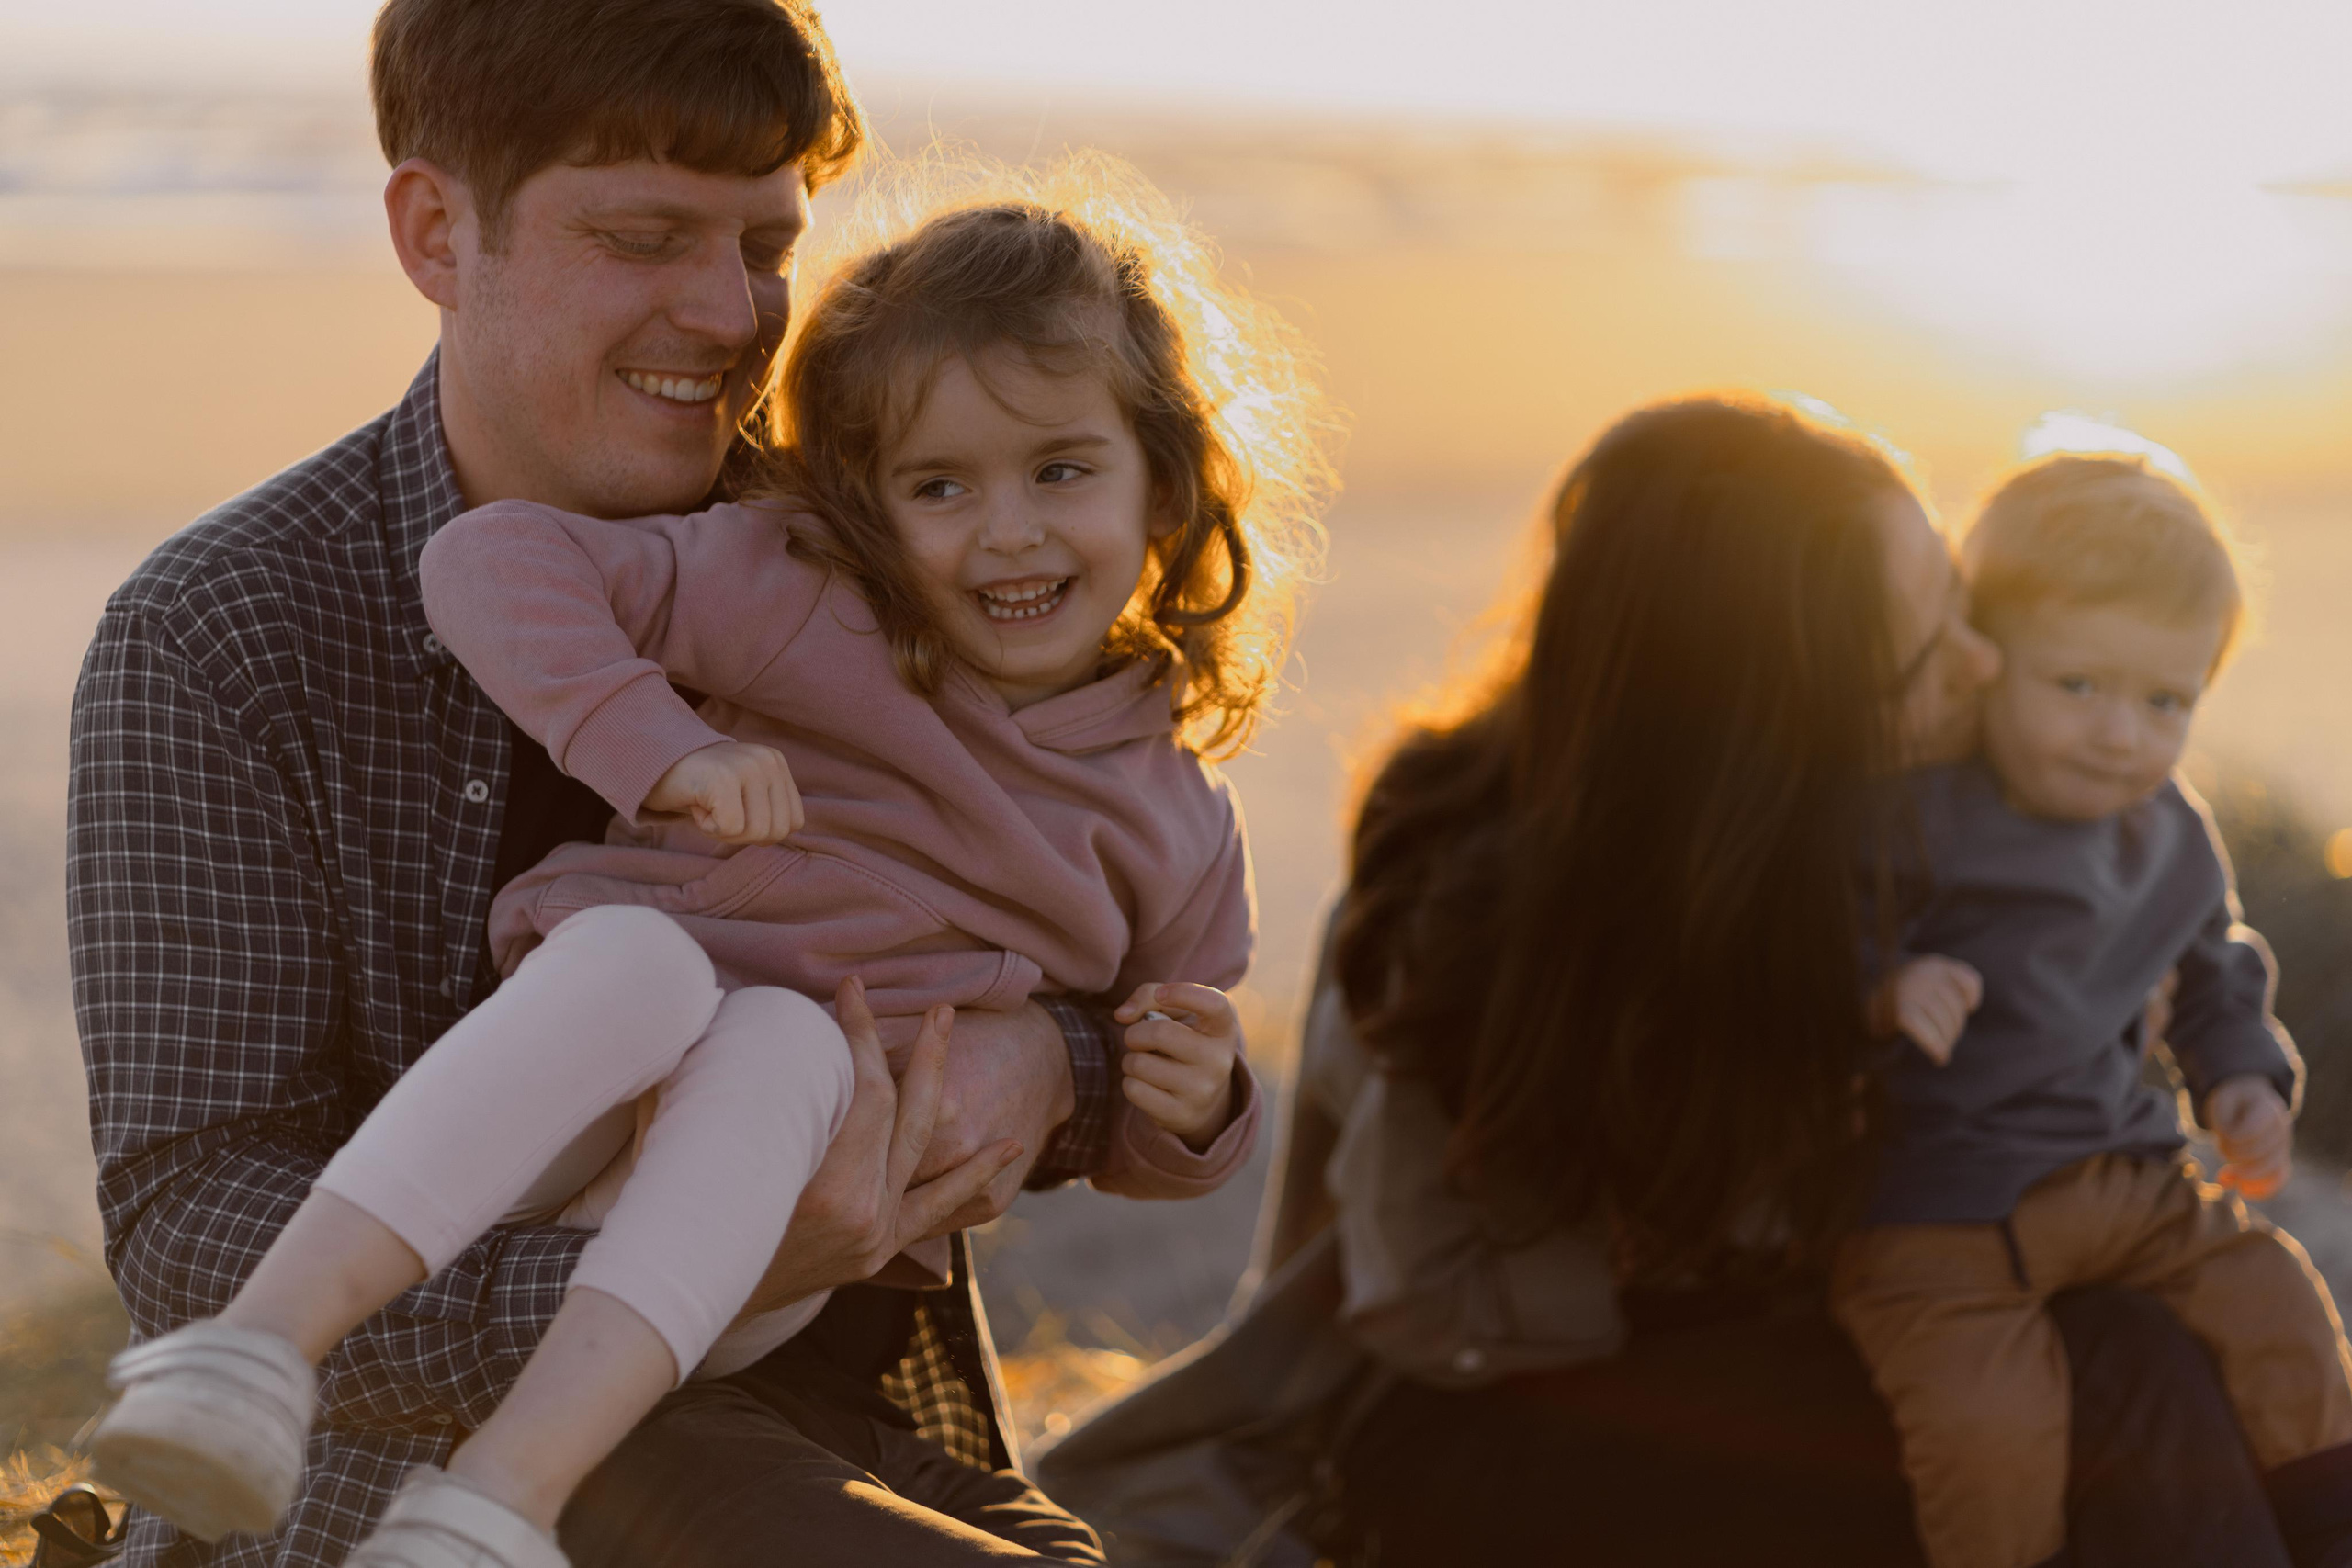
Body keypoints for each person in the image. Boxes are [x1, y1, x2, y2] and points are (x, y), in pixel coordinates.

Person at [86, 180, 1323, 1568]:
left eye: (1060, 471)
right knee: (637, 957)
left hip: (745, 1236)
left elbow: (1154, 1074)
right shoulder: (808, 587)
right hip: (547, 1128)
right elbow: (492, 561)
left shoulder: (1178, 813)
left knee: (786, 1042)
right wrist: (658, 747)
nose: (1008, 530)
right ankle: (249, 1359)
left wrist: (1183, 1091)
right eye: (939, 486)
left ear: (1165, 476)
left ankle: (495, 1502)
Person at [1038, 397, 2320, 1567]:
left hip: (1777, 1358)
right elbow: (1434, 1310)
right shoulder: (1489, 890)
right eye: (1930, 651)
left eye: (1964, 610)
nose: (1984, 667)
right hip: (1492, 1424)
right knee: (2108, 1370)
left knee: (2147, 1351)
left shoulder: (1883, 831)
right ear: (1782, 706)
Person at [1838, 453, 2352, 1568]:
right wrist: (1882, 982)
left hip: (2131, 1185)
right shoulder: (1913, 815)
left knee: (2281, 1305)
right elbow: (1796, 932)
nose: (2122, 733)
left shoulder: (2168, 830)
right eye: (2078, 686)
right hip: (1940, 1218)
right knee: (1988, 1432)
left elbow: (2214, 971)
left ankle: (2323, 1531)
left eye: (2164, 701)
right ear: (1985, 662)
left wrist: (2244, 1084)